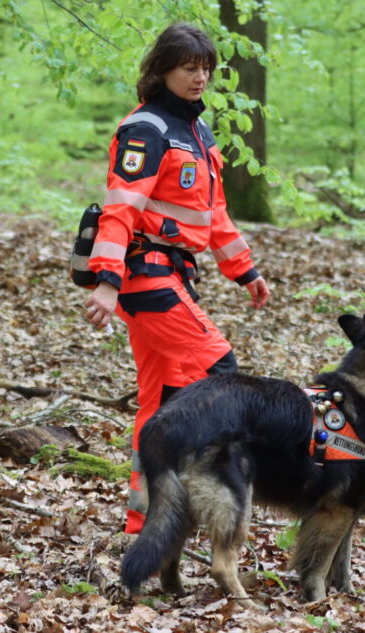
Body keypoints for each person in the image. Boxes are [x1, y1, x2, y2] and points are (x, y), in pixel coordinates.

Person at [70, 23, 271, 535]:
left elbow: (213, 215)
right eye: (189, 67)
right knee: (220, 372)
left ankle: (147, 523)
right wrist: (107, 281)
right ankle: (207, 496)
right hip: (145, 275)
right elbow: (121, 211)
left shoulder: (199, 134)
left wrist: (243, 269)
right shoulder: (146, 130)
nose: (200, 77)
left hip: (175, 273)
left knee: (160, 405)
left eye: (206, 68)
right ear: (162, 71)